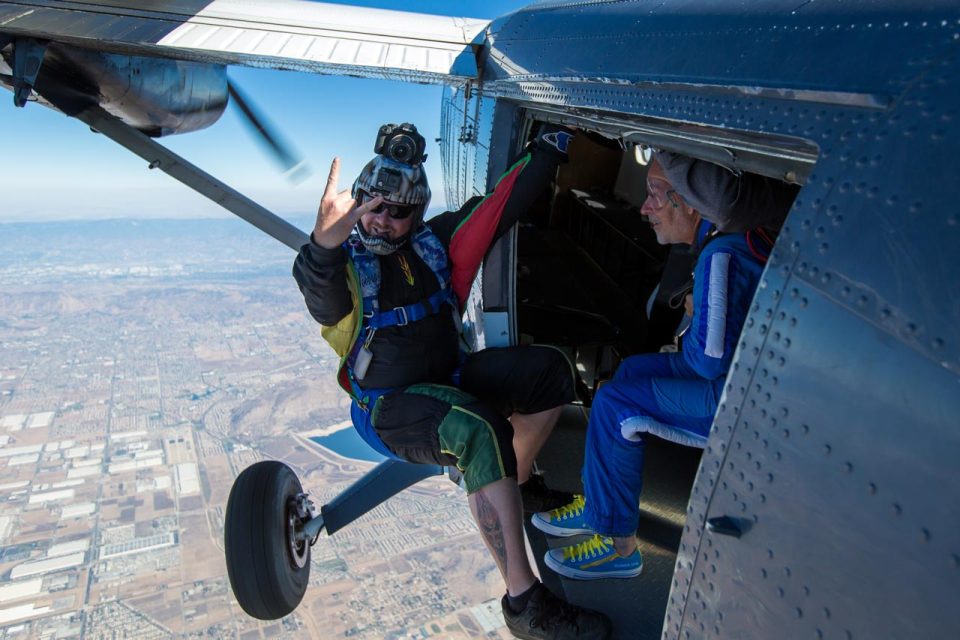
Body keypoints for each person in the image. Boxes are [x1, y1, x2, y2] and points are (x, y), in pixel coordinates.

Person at [293, 123, 611, 639]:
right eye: (369, 204)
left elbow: (498, 208)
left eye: (396, 211)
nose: (378, 218)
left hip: (450, 379)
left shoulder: (436, 245)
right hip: (389, 408)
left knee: (548, 372)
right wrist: (324, 245)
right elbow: (322, 296)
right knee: (477, 429)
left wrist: (551, 146)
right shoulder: (347, 268)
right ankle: (524, 602)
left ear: (416, 213)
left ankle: (519, 483)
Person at [531, 152, 788, 580]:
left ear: (689, 202)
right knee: (629, 373)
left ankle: (619, 546)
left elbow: (708, 360)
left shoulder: (719, 254)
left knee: (616, 403)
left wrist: (697, 314)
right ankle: (600, 501)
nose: (645, 208)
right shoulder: (726, 240)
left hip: (733, 400)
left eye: (654, 194)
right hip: (736, 378)